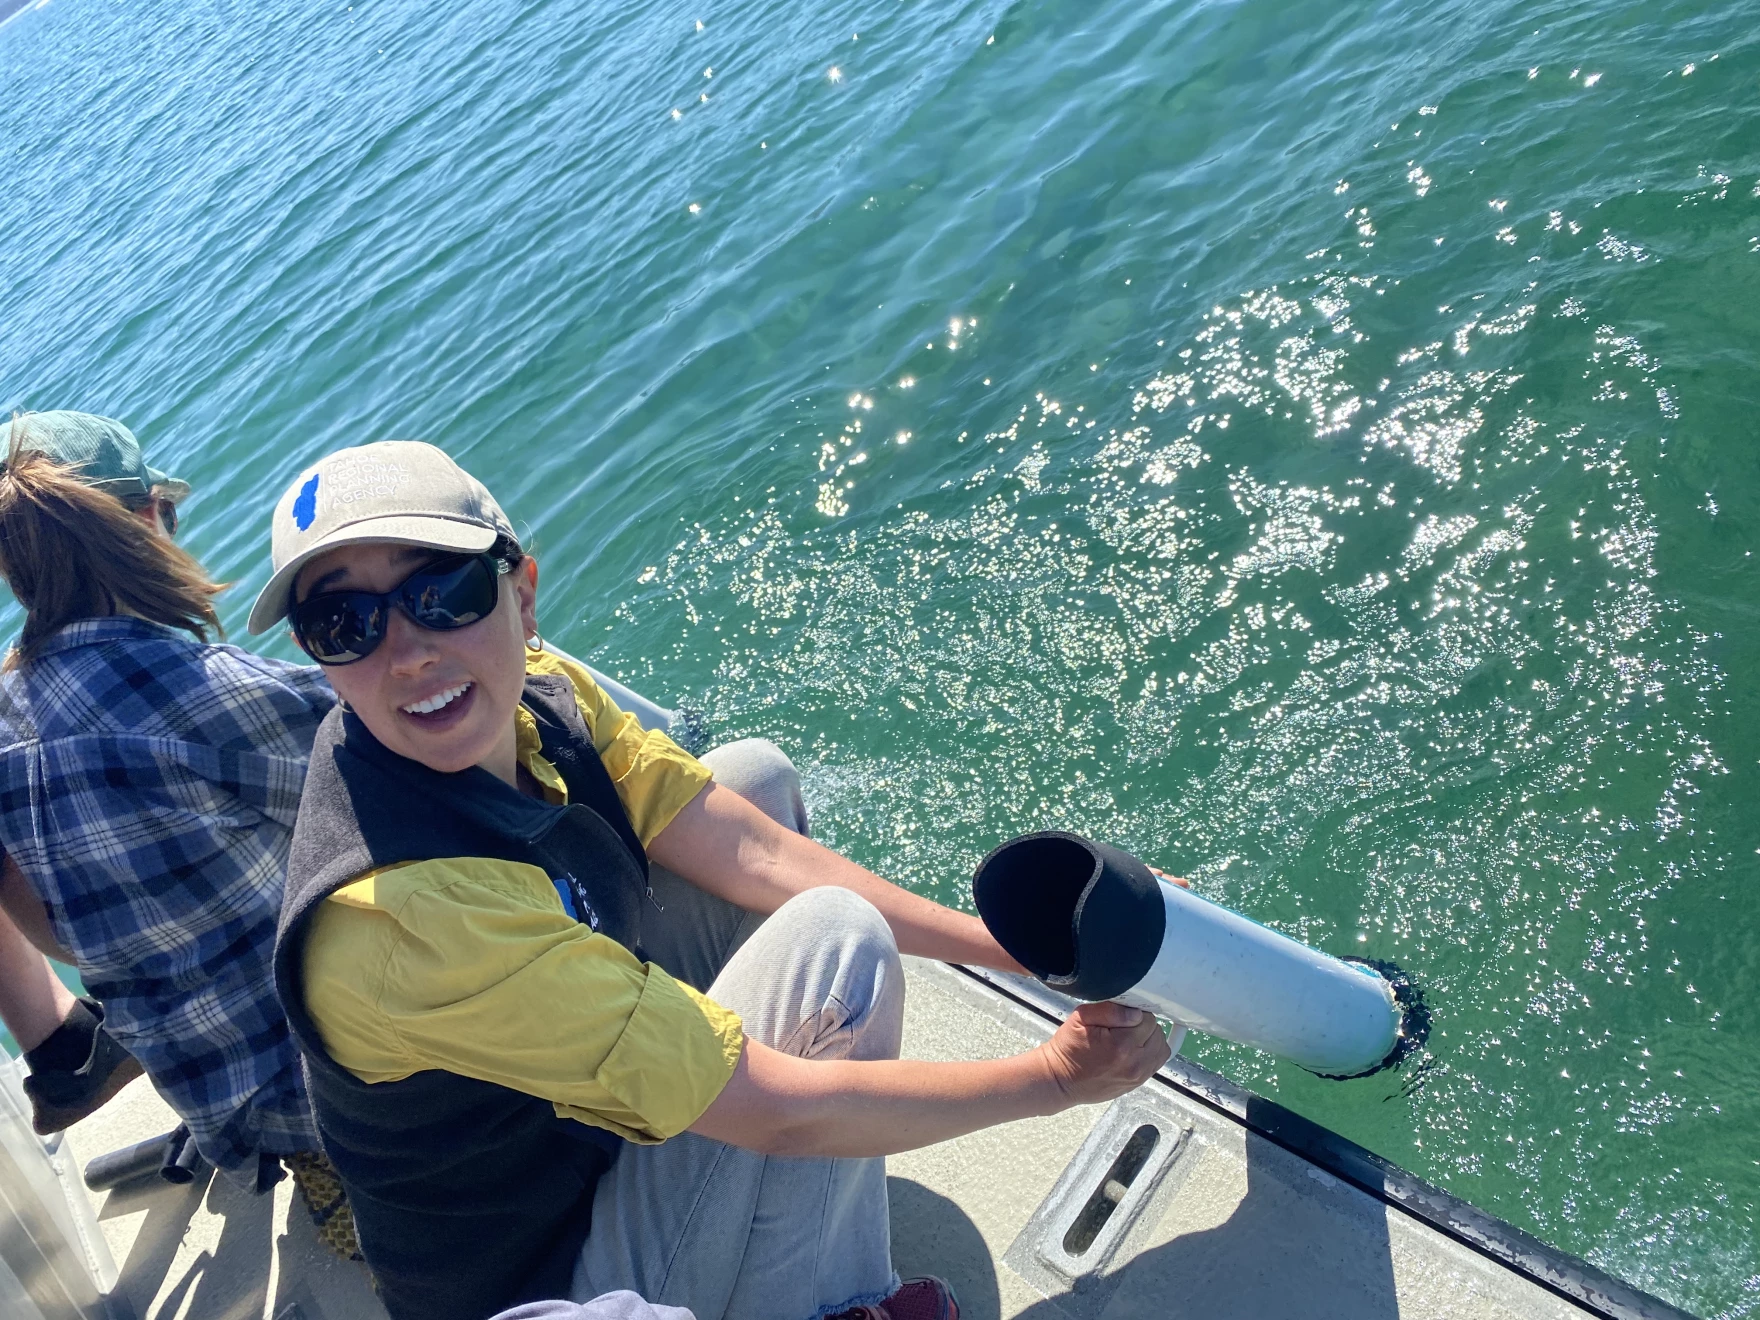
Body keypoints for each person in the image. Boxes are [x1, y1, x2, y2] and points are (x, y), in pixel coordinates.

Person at [261, 441, 1172, 1320]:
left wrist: (1019, 952)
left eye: (443, 589)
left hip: (575, 1129)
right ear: (319, 657)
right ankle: (837, 1304)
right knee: (836, 945)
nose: (408, 651)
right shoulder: (400, 919)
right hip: (548, 1266)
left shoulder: (536, 689)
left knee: (754, 779)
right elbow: (775, 1112)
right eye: (345, 623)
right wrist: (1055, 1077)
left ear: (521, 595)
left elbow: (753, 847)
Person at [0, 411, 340, 1201]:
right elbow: (406, 776)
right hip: (342, 1090)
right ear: (150, 520)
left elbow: (68, 941)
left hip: (226, 1103)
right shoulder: (207, 690)